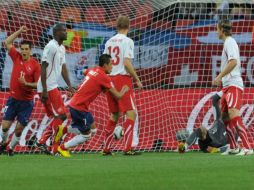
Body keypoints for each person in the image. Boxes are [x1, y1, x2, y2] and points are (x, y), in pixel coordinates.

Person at [53, 54, 129, 157]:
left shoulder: (93, 70)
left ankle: (63, 130)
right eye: (111, 64)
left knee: (93, 129)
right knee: (87, 135)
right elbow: (117, 96)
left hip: (76, 104)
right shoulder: (104, 77)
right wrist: (125, 89)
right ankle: (62, 148)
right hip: (79, 107)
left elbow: (84, 72)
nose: (112, 66)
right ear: (105, 65)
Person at [103, 16, 142, 155]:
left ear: (116, 26)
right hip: (122, 79)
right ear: (129, 26)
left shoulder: (108, 41)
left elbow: (104, 63)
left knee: (114, 115)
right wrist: (137, 78)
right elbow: (126, 63)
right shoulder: (128, 41)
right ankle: (128, 148)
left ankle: (106, 149)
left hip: (109, 79)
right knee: (131, 113)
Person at [212, 19, 253, 155]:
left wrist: (219, 76)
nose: (216, 31)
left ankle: (247, 148)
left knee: (233, 114)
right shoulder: (227, 43)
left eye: (217, 28)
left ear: (222, 30)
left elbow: (234, 62)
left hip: (234, 84)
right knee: (225, 117)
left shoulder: (230, 42)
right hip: (227, 86)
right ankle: (233, 147)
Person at [0, 26, 41, 156]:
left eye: (26, 49)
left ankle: (11, 148)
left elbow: (38, 85)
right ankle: (4, 143)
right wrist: (19, 31)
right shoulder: (16, 57)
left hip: (26, 103)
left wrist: (26, 83)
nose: (23, 51)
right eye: (22, 49)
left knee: (18, 130)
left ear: (30, 50)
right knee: (5, 127)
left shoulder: (35, 65)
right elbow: (7, 42)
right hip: (13, 99)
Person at [36, 23, 75, 154]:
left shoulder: (61, 48)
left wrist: (70, 86)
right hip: (48, 87)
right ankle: (53, 146)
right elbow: (43, 67)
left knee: (58, 116)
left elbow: (63, 68)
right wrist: (45, 89)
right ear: (57, 32)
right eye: (64, 30)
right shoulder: (51, 46)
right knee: (62, 115)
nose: (66, 33)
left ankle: (42, 142)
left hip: (52, 86)